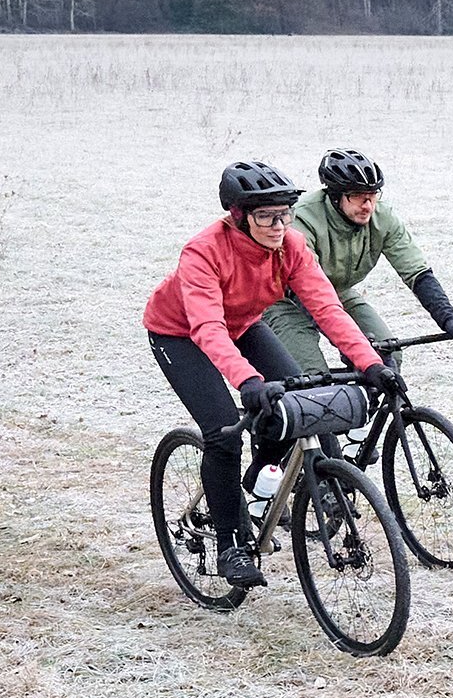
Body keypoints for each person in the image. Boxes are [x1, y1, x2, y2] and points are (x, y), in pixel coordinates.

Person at [144, 160, 406, 588]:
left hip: (244, 324)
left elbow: (326, 309)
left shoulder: (293, 246)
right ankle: (230, 544)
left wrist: (369, 364)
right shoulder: (204, 251)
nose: (278, 225)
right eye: (266, 217)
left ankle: (256, 485)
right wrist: (248, 381)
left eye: (285, 214)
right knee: (224, 432)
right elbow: (206, 327)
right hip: (180, 334)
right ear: (239, 217)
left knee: (296, 405)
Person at [263, 148, 453, 372]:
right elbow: (308, 289)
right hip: (283, 297)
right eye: (357, 196)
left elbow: (417, 274)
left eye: (373, 194)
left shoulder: (382, 217)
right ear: (335, 196)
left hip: (337, 291)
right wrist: (352, 341)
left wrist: (449, 319)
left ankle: (365, 402)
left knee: (388, 353)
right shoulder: (302, 218)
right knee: (311, 374)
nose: (367, 205)